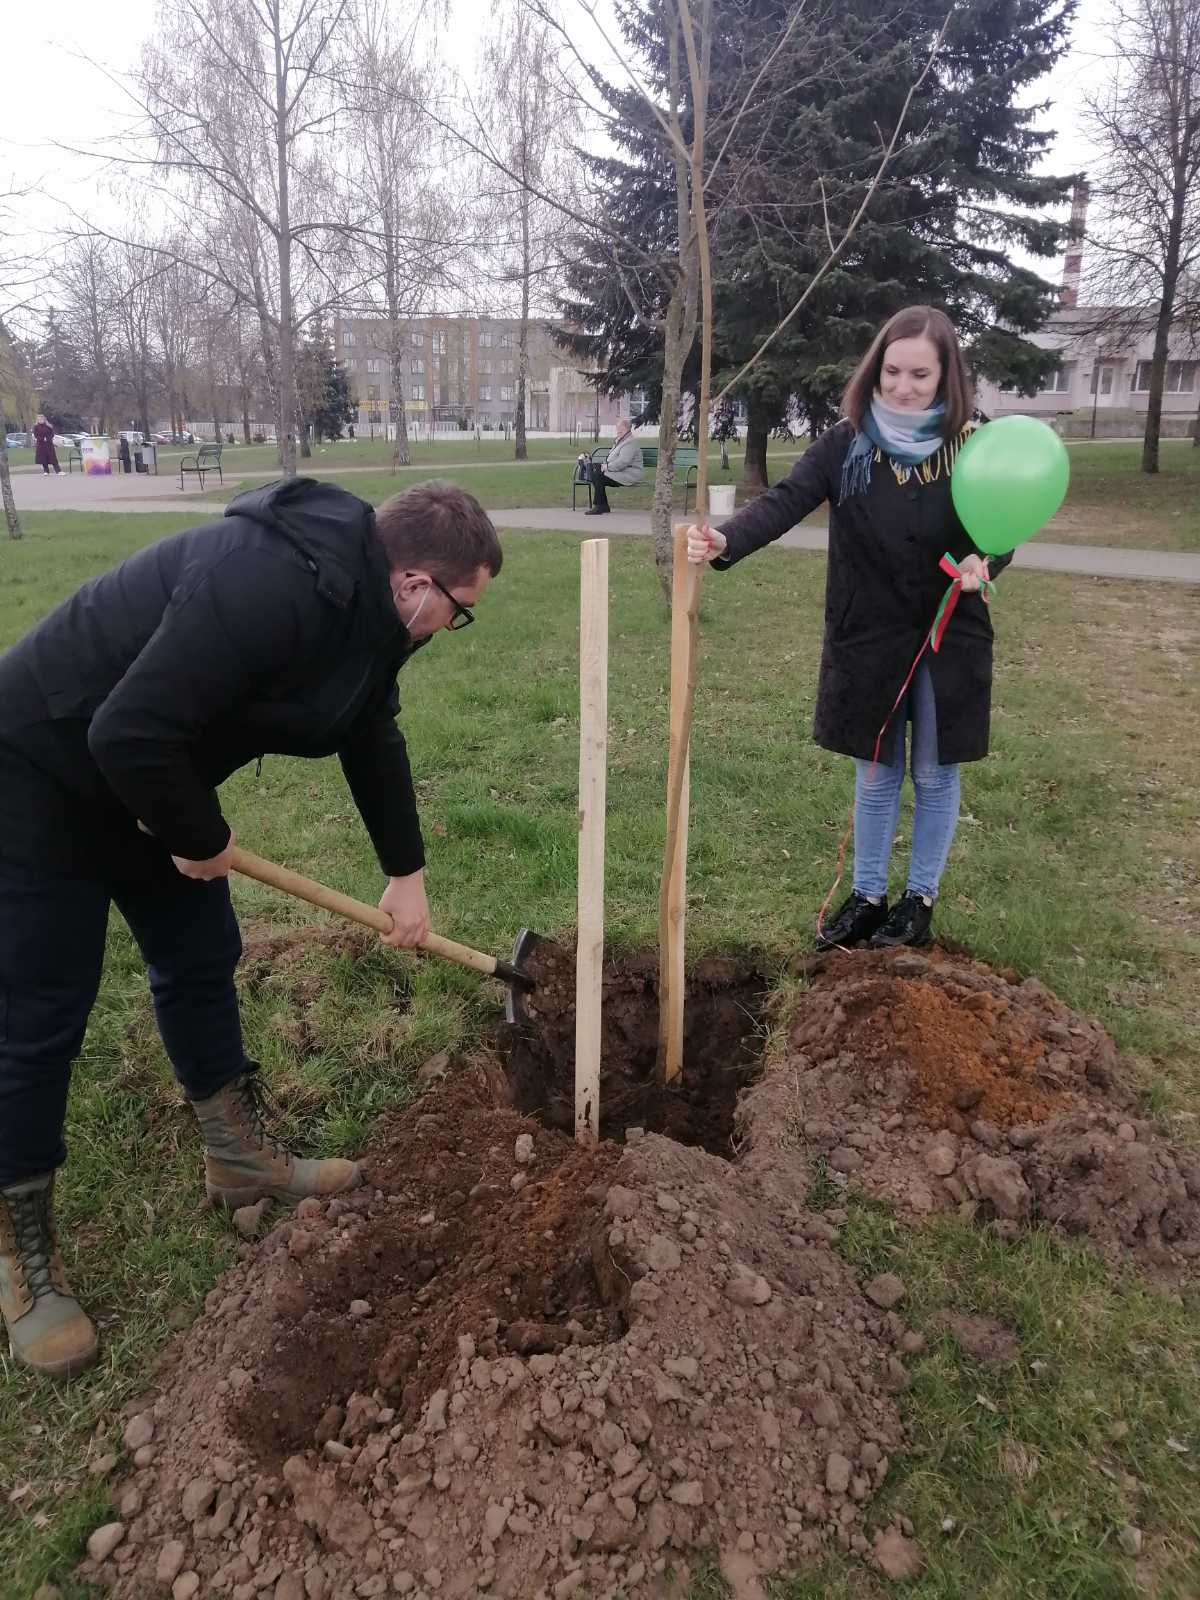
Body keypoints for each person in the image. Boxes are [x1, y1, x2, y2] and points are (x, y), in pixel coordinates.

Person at [0, 476, 501, 1379]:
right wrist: (199, 839)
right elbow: (126, 731)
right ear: (418, 585)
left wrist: (406, 877)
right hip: (39, 767)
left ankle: (237, 1158)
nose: (446, 635)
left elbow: (371, 734)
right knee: (43, 1010)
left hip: (152, 772)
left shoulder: (369, 618)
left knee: (199, 954)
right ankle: (19, 1260)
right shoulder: (266, 580)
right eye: (458, 614)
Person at [687, 305, 1011, 953]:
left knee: (936, 770)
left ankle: (917, 902)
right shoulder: (846, 443)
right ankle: (867, 897)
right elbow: (785, 501)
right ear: (876, 369)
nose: (903, 386)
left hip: (950, 635)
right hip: (869, 634)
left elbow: (1004, 523)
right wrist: (726, 538)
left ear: (947, 376)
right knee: (876, 768)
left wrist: (989, 560)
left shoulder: (975, 445)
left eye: (920, 374)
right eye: (892, 371)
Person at [581, 416, 644, 515]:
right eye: (617, 428)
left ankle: (599, 506)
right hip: (620, 472)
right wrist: (603, 466)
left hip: (630, 474)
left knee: (598, 475)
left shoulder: (630, 443)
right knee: (595, 471)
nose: (618, 431)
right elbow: (614, 459)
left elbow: (623, 462)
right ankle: (603, 505)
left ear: (627, 429)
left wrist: (607, 467)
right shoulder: (621, 440)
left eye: (620, 428)